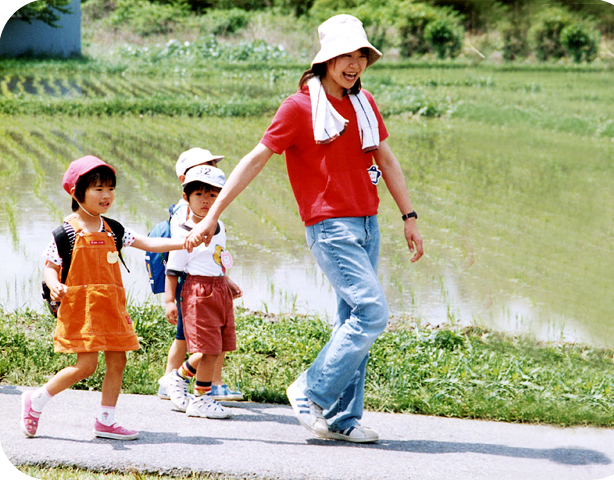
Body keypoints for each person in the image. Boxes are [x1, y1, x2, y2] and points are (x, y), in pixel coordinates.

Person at [185, 14, 424, 443]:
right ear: (326, 60)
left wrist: (409, 217)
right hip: (329, 226)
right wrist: (211, 215)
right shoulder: (298, 108)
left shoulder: (364, 105)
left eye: (361, 56)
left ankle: (341, 419)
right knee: (372, 312)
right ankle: (309, 391)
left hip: (368, 225)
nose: (354, 65)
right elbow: (253, 161)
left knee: (352, 320)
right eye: (345, 56)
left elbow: (386, 160)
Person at [21, 155, 186, 440]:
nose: (106, 195)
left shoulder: (114, 229)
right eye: (98, 189)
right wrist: (54, 285)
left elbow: (149, 243)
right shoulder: (66, 234)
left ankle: (106, 421)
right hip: (82, 309)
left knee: (117, 362)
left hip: (111, 307)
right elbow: (50, 267)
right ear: (77, 193)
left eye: (110, 188)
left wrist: (186, 241)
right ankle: (36, 401)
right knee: (86, 366)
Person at [157, 148, 243, 402]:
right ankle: (187, 381)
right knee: (195, 340)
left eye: (214, 167)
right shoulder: (185, 220)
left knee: (206, 340)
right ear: (186, 183)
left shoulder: (214, 218)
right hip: (193, 284)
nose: (212, 172)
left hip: (213, 284)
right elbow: (177, 262)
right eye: (206, 166)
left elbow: (214, 254)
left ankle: (190, 385)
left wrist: (225, 279)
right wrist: (170, 300)